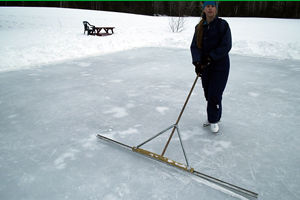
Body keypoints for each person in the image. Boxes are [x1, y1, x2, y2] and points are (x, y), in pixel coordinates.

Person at [190, 1, 232, 133]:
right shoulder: (199, 27)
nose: (210, 9)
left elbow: (226, 45)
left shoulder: (222, 25)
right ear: (203, 9)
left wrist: (211, 57)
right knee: (208, 93)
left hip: (220, 66)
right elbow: (194, 46)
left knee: (215, 93)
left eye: (212, 6)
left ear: (216, 9)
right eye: (207, 6)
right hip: (205, 66)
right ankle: (214, 116)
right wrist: (197, 62)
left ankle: (213, 120)